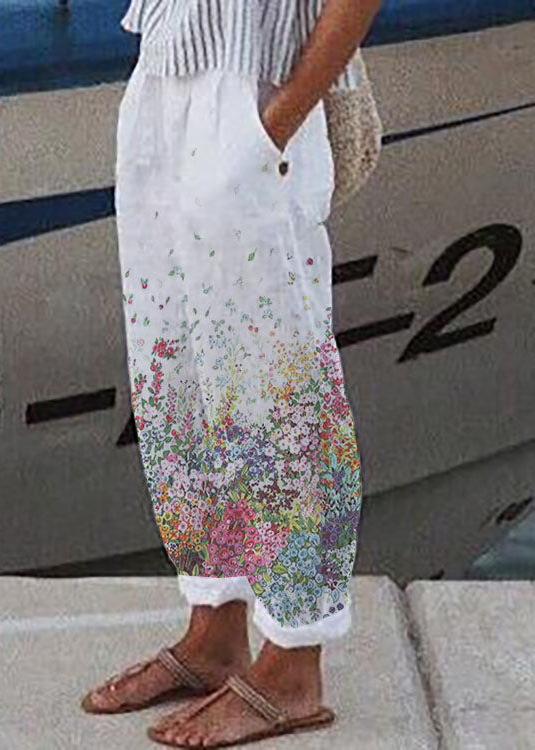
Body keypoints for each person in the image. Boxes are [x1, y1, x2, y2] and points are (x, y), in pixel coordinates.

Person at [82, 0, 381, 746]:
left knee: (279, 394)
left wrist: (275, 122)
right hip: (166, 75)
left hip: (256, 91)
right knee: (177, 376)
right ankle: (214, 629)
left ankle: (294, 665)